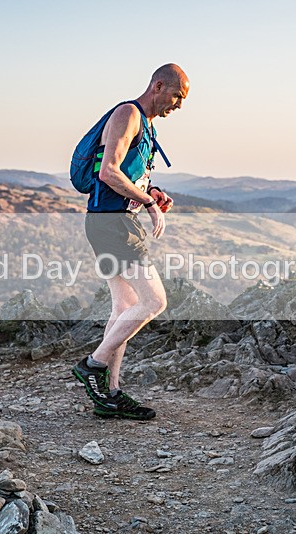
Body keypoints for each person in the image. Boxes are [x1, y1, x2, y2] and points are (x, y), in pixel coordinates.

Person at [72, 64, 189, 420]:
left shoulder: (146, 124)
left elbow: (125, 174)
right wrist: (151, 203)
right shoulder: (129, 114)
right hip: (113, 224)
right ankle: (94, 365)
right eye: (177, 96)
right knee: (154, 301)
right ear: (158, 86)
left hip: (113, 221)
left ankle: (111, 394)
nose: (178, 106)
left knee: (124, 307)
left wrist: (149, 192)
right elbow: (108, 171)